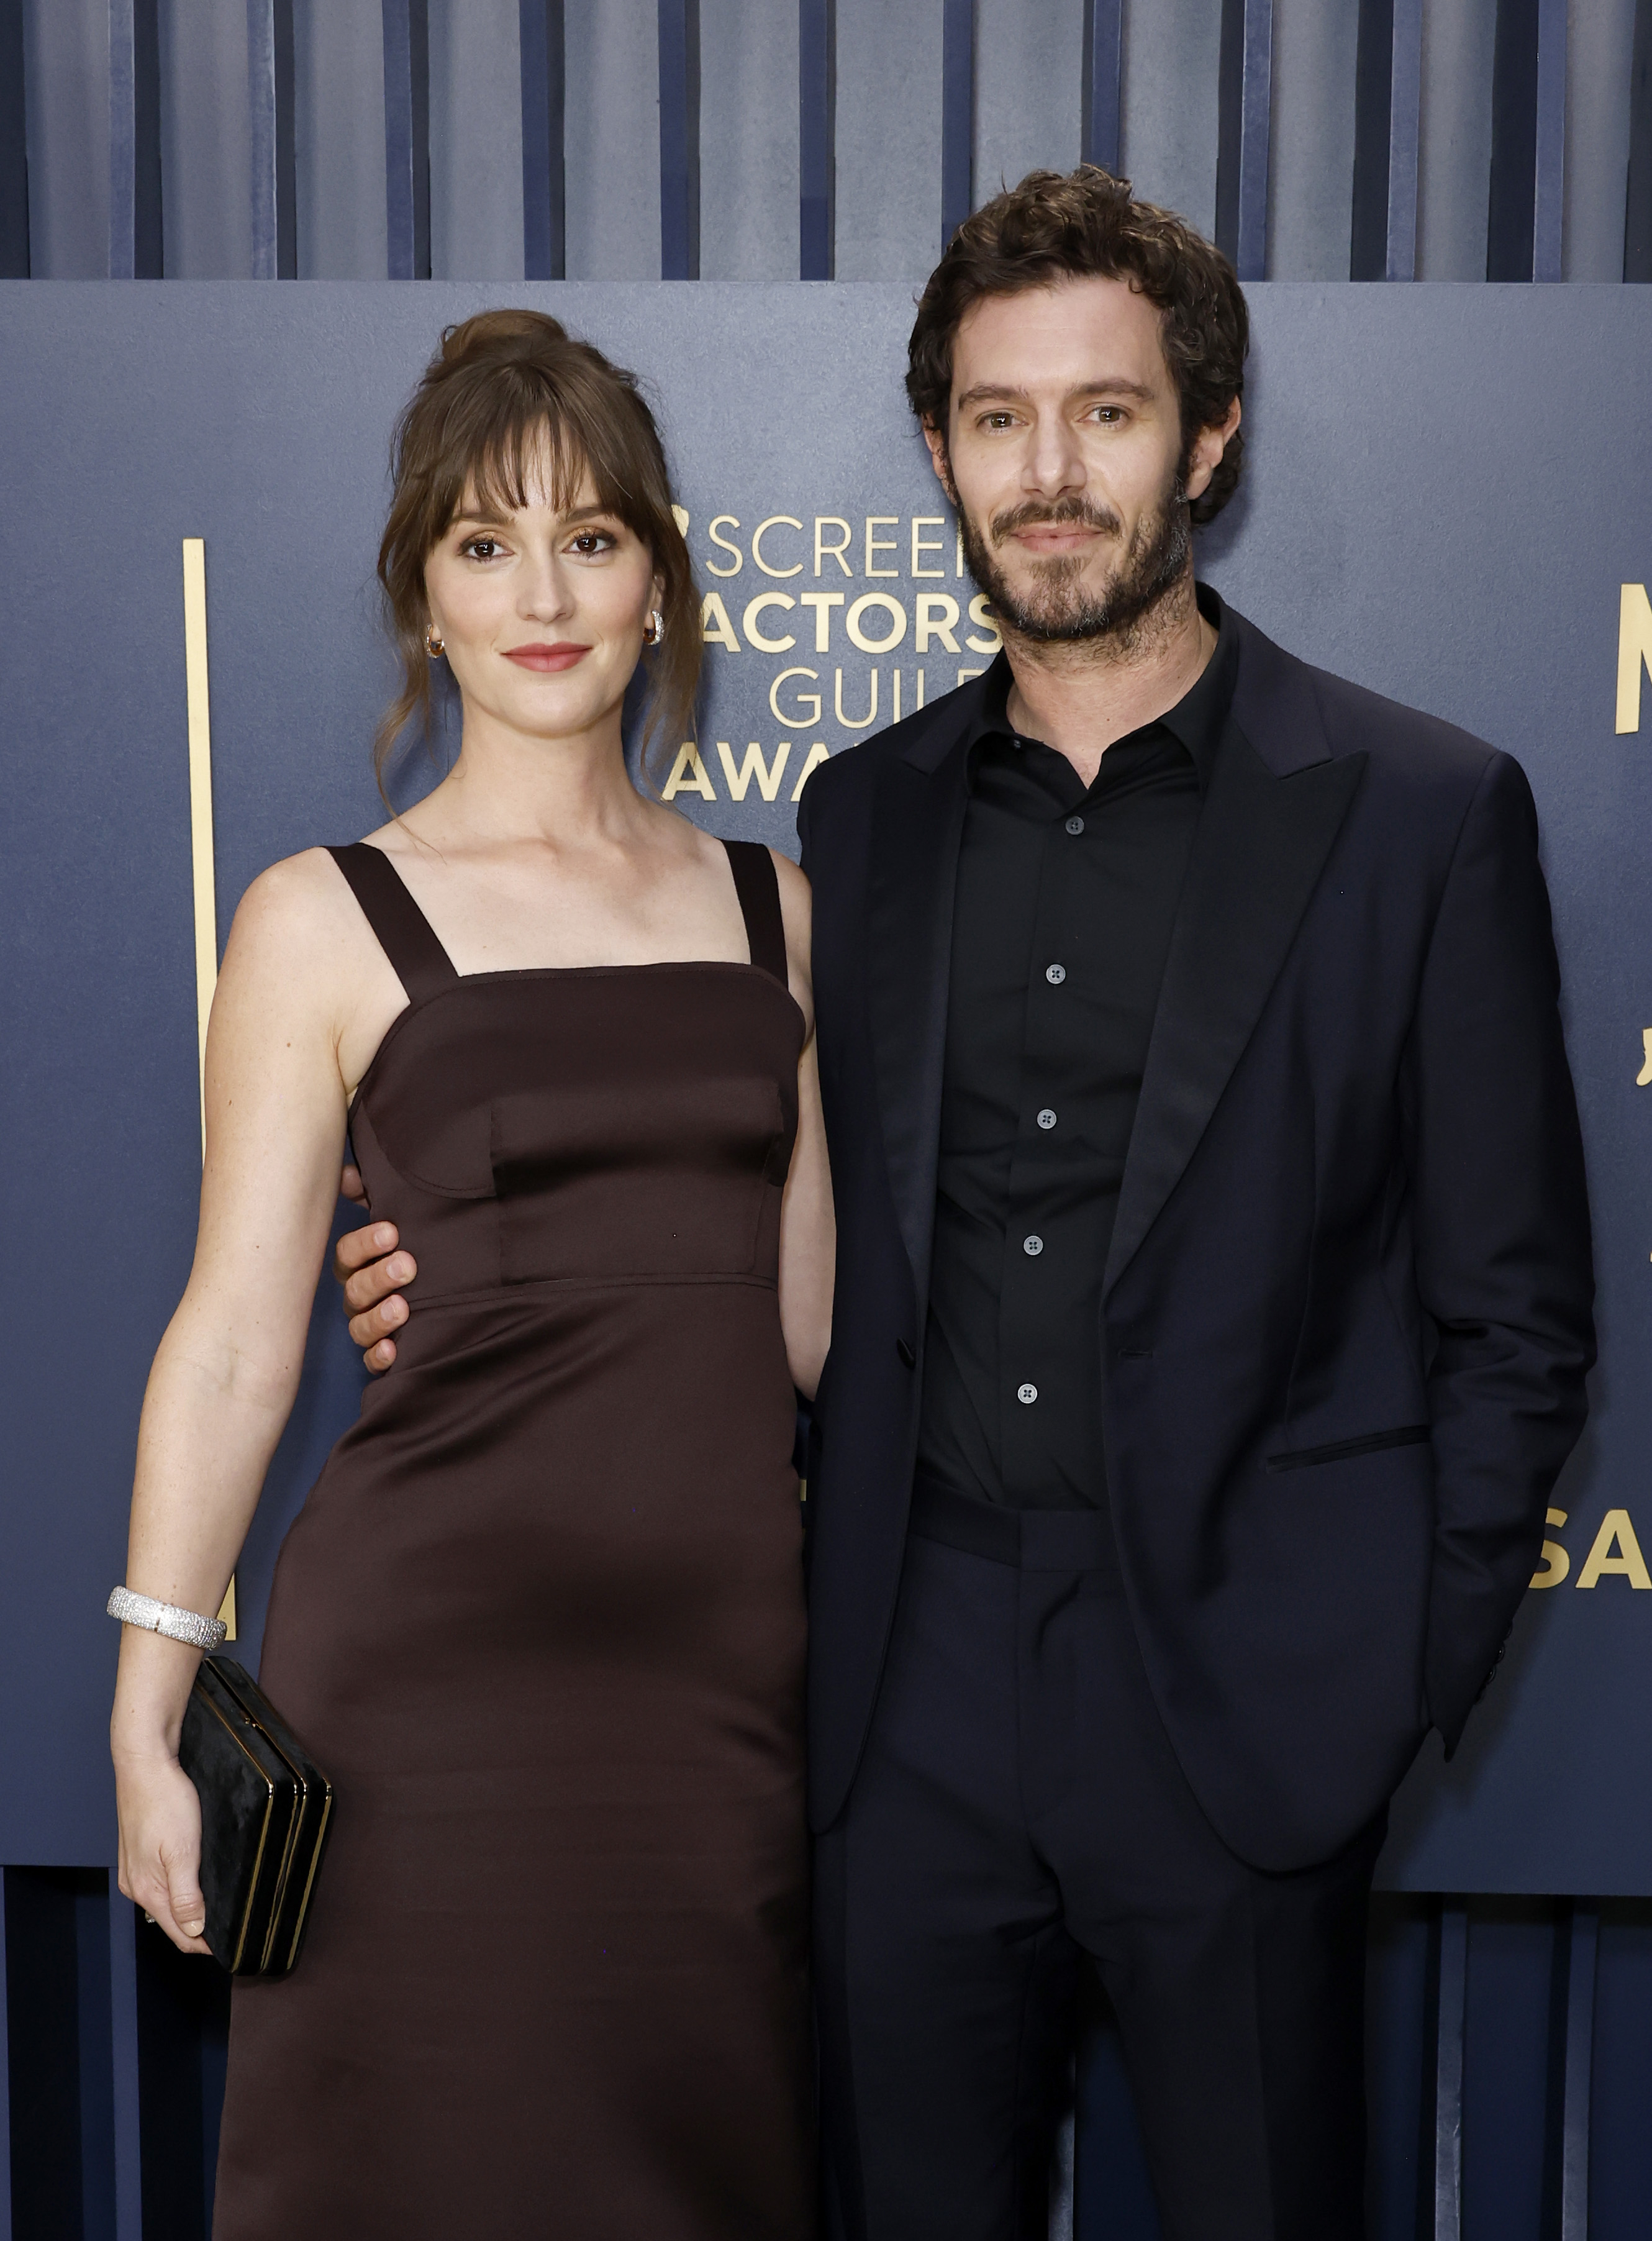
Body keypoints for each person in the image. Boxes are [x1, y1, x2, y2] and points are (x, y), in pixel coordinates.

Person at [335, 172, 1596, 2240]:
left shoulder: (1422, 814)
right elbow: (757, 1211)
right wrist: (468, 1276)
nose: (1051, 474)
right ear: (938, 452)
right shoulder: (865, 820)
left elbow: (1515, 1312)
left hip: (1248, 1712)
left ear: (1205, 437)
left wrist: (1389, 1674)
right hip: (900, 1704)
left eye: (1105, 414)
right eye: (999, 419)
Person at [109, 309, 830, 2240]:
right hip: (419, 1684)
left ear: (657, 583)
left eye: (591, 539)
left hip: (713, 1697)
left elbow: (823, 1326)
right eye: (486, 543)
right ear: (418, 591)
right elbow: (241, 1337)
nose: (543, 592)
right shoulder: (319, 916)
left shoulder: (773, 906)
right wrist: (144, 1704)